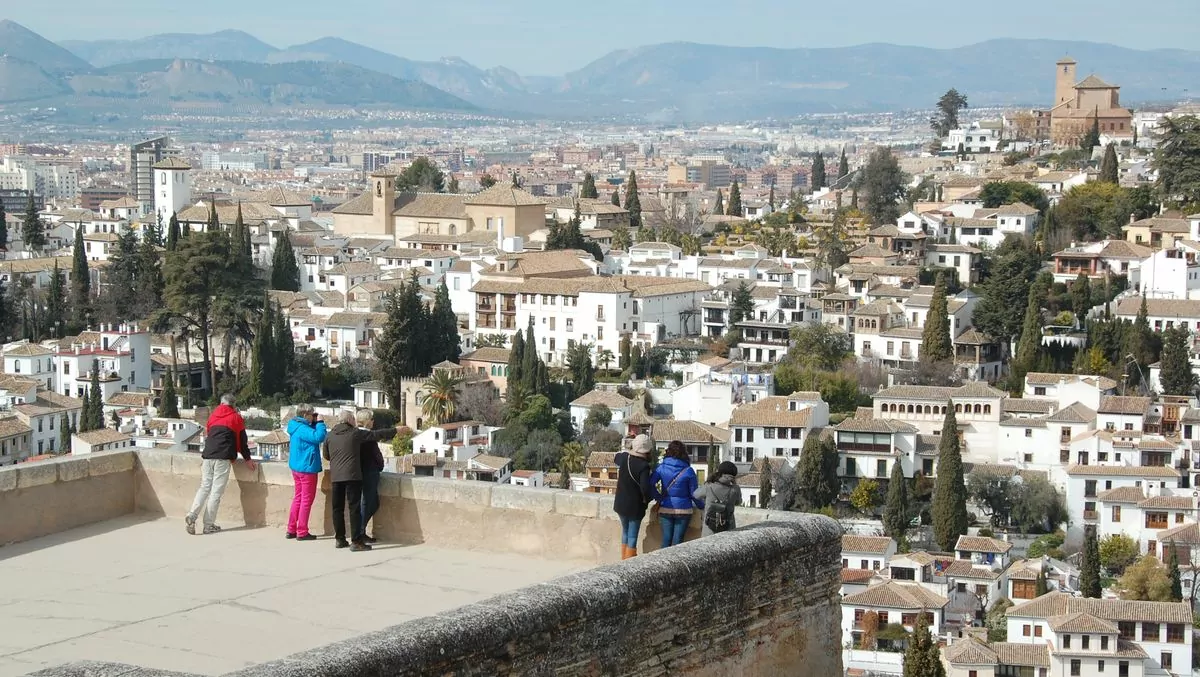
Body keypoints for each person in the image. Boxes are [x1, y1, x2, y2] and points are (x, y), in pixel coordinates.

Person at [323, 410, 396, 551]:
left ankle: (340, 539)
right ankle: (356, 541)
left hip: (336, 476)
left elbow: (326, 455)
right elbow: (377, 434)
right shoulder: (355, 433)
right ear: (350, 420)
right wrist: (396, 430)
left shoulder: (330, 435)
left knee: (337, 508)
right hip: (351, 476)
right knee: (354, 508)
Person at [186, 394, 255, 535]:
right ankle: (208, 525)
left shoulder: (212, 416)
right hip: (223, 457)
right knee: (215, 492)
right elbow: (242, 441)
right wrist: (247, 459)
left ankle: (192, 515)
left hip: (207, 455)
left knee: (204, 487)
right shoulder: (236, 418)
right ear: (233, 405)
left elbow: (209, 434)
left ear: (221, 403)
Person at [285, 404, 327, 541]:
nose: (312, 416)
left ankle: (291, 528)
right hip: (307, 468)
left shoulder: (295, 426)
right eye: (311, 414)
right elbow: (319, 437)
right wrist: (320, 422)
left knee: (298, 497)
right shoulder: (303, 429)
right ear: (305, 415)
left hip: (296, 467)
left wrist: (313, 423)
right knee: (306, 500)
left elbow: (311, 436)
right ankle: (302, 531)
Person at [650, 440, 701, 548]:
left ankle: (662, 564)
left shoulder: (661, 468)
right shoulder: (689, 470)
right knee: (678, 542)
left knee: (666, 540)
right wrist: (702, 505)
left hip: (665, 507)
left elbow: (650, 484)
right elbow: (694, 493)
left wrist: (659, 498)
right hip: (684, 509)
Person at [612, 434, 653, 560]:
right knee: (632, 536)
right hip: (635, 507)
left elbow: (615, 457)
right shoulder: (644, 466)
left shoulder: (624, 458)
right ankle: (628, 563)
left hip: (620, 504)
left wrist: (629, 445)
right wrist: (648, 500)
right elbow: (645, 488)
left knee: (625, 532)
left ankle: (622, 560)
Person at [355, 410, 387, 544]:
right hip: (369, 472)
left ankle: (359, 530)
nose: (374, 421)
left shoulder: (354, 434)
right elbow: (377, 456)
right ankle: (360, 531)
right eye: (372, 419)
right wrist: (380, 466)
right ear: (368, 421)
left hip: (356, 473)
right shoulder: (369, 437)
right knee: (370, 502)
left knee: (368, 503)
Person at [694, 461, 742, 537]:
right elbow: (738, 502)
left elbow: (696, 495)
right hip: (728, 528)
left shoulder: (709, 486)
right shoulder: (735, 489)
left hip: (709, 528)